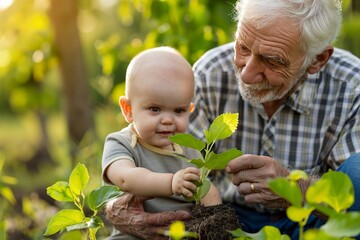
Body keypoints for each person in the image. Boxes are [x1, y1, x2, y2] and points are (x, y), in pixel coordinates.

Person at [105, 0, 360, 239]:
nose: (247, 74)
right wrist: (115, 205)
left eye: (272, 60)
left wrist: (298, 190)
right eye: (243, 47)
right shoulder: (211, 73)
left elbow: (354, 194)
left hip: (314, 220)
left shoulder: (351, 87)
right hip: (228, 220)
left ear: (317, 59)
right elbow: (154, 157)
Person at [102, 46, 222, 239]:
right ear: (128, 109)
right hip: (134, 235)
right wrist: (171, 182)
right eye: (155, 109)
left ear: (190, 109)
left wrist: (216, 214)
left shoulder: (189, 148)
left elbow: (204, 186)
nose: (168, 120)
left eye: (179, 111)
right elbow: (126, 178)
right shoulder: (122, 143)